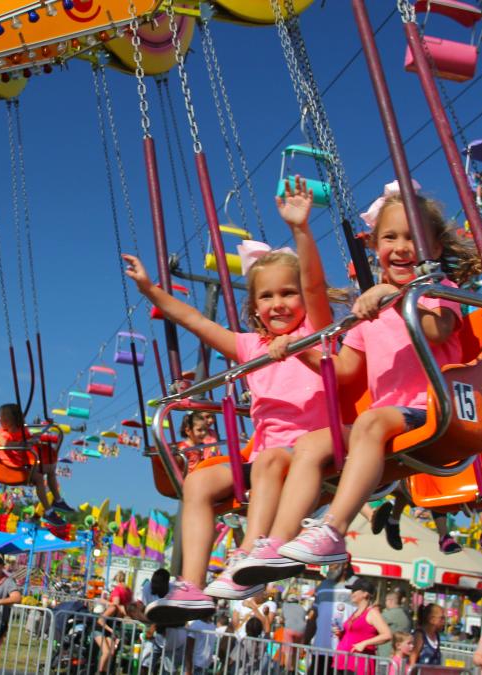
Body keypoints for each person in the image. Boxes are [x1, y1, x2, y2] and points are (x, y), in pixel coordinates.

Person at [247, 180, 482, 576]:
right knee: (310, 443)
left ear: (435, 249)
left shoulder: (440, 290)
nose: (402, 246)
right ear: (375, 246)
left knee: (371, 420)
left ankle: (333, 529)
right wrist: (302, 352)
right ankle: (274, 543)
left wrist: (394, 294)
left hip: (436, 410)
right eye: (391, 237)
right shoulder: (367, 313)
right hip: (390, 419)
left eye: (414, 238)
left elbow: (438, 330)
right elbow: (344, 372)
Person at [132, 176, 341, 622]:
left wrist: (302, 230)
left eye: (288, 293)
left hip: (314, 450)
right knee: (198, 483)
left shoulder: (315, 332)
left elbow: (319, 287)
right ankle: (191, 585)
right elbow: (193, 320)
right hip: (266, 457)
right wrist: (152, 290)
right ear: (254, 307)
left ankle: (250, 552)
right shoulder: (251, 347)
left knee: (267, 460)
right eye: (267, 296)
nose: (278, 303)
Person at [0, 403, 73, 526]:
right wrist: (24, 444)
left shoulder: (19, 430)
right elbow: (6, 444)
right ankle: (49, 512)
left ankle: (57, 501)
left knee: (50, 468)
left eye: (1, 417)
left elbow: (26, 438)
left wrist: (35, 437)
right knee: (39, 478)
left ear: (11, 420)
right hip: (11, 467)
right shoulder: (0, 432)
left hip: (22, 462)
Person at [333, 577, 391, 675]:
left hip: (359, 664)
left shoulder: (372, 613)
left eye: (355, 590)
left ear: (365, 593)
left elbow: (387, 635)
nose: (352, 593)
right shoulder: (356, 612)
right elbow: (352, 635)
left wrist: (364, 643)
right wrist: (340, 634)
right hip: (343, 661)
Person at [378, 588, 412, 659]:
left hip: (386, 654)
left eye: (386, 600)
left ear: (390, 601)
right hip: (400, 655)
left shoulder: (388, 614)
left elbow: (373, 624)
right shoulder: (405, 614)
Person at [412, 603, 445, 667]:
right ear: (431, 619)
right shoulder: (420, 635)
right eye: (442, 618)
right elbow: (412, 659)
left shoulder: (436, 636)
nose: (444, 621)